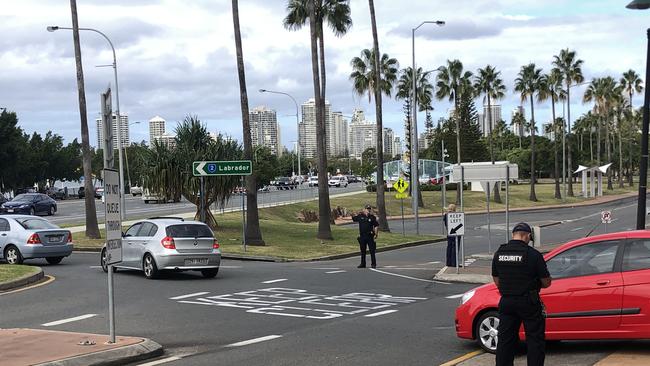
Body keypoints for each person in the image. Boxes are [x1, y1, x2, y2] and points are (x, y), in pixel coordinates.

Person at [492, 223, 552, 366]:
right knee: (534, 341)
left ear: (513, 234)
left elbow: (496, 279)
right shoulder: (533, 255)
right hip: (528, 302)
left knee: (505, 341)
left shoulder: (499, 253)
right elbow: (546, 282)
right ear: (527, 236)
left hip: (506, 302)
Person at [352, 204, 379, 268]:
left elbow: (376, 226)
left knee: (372, 250)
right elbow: (354, 219)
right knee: (363, 251)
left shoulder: (372, 217)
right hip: (362, 236)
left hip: (370, 236)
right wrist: (353, 213)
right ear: (364, 209)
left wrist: (376, 234)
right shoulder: (360, 216)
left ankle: (373, 264)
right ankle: (363, 264)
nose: (368, 210)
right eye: (367, 209)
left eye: (369, 209)